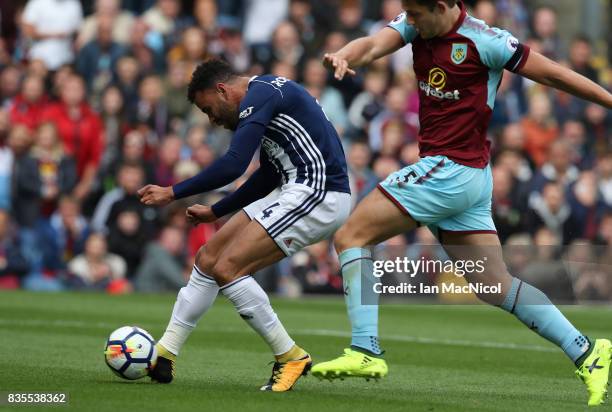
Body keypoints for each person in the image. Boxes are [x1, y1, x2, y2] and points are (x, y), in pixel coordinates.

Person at [312, 0, 612, 406]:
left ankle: (365, 350)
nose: (409, 21)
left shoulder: (487, 41)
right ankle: (588, 351)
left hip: (449, 171)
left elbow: (555, 74)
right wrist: (348, 53)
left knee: (351, 236)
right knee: (495, 286)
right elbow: (372, 44)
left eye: (416, 14)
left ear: (441, 6)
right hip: (468, 178)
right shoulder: (417, 24)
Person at [137, 59, 351, 391]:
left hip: (319, 192)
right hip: (293, 187)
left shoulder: (260, 96)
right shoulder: (266, 95)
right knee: (209, 258)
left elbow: (234, 164)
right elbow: (267, 174)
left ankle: (290, 355)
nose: (212, 120)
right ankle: (165, 354)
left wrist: (173, 191)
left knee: (229, 268)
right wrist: (217, 210)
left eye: (209, 109)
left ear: (222, 90)